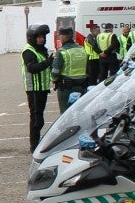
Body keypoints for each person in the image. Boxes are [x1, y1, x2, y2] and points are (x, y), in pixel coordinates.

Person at [21, 24, 53, 152]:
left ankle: (37, 143)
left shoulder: (41, 50)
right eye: (39, 37)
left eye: (43, 37)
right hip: (34, 89)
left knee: (40, 118)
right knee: (36, 120)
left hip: (42, 88)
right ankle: (34, 146)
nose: (42, 39)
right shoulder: (28, 51)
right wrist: (47, 62)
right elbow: (32, 68)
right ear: (32, 37)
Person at [51, 26, 88, 113]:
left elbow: (55, 72)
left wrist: (53, 79)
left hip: (66, 88)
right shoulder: (82, 49)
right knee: (80, 111)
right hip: (82, 86)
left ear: (63, 37)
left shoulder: (61, 51)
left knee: (66, 113)